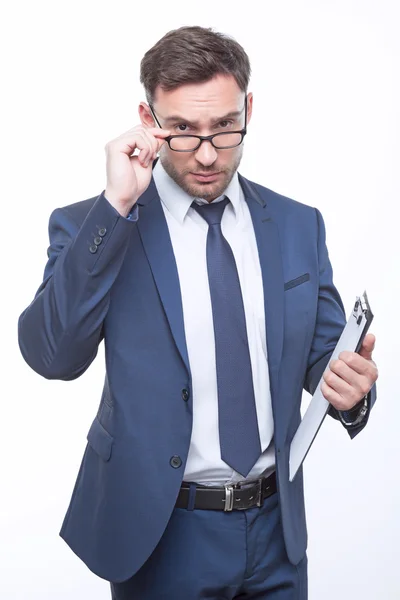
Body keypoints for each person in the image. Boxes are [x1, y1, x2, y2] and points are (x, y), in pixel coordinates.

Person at [18, 25, 378, 600]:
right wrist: (116, 207)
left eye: (224, 128)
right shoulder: (97, 224)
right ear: (148, 117)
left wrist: (352, 390)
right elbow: (51, 355)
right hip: (161, 535)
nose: (208, 154)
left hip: (276, 534)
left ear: (248, 109)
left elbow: (323, 358)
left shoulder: (296, 225)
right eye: (183, 130)